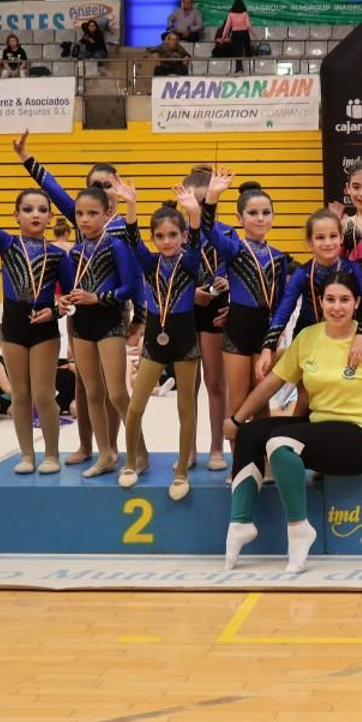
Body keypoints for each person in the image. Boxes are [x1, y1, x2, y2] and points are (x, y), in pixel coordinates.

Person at [223, 272, 362, 572]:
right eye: (330, 299)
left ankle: (299, 530)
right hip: (323, 429)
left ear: (356, 304)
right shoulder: (308, 338)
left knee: (281, 444)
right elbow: (272, 383)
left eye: (344, 300)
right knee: (250, 434)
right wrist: (236, 420)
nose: (336, 307)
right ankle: (240, 524)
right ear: (321, 302)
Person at [0, 159, 69, 474]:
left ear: (50, 216)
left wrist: (54, 310)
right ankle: (27, 455)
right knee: (20, 395)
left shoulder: (58, 255)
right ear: (16, 215)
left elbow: (72, 298)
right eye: (28, 209)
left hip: (45, 330)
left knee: (43, 394)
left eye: (42, 210)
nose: (35, 214)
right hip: (12, 327)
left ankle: (52, 454)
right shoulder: (7, 244)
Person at [120, 185, 205, 500]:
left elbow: (195, 243)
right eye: (160, 236)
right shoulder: (149, 263)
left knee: (186, 408)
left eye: (173, 235)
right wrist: (131, 204)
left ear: (182, 235)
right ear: (153, 238)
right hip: (155, 340)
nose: (166, 241)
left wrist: (194, 212)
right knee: (135, 407)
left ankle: (181, 470)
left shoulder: (189, 263)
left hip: (184, 339)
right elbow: (132, 239)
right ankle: (131, 462)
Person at [54, 183, 138, 479]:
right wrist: (63, 301)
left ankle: (139, 451)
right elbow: (69, 290)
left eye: (92, 213)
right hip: (82, 326)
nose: (84, 219)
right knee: (92, 393)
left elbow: (130, 287)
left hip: (109, 322)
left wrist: (98, 298)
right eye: (79, 214)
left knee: (117, 393)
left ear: (108, 214)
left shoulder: (116, 246)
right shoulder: (75, 252)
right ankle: (105, 455)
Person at [203, 172, 291, 442]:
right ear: (240, 219)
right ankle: (239, 461)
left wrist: (276, 333)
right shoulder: (234, 249)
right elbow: (208, 229)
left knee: (261, 401)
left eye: (266, 212)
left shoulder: (279, 258)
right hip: (238, 331)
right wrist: (213, 196)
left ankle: (262, 458)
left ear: (273, 217)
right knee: (239, 402)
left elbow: (280, 300)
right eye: (253, 213)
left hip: (266, 333)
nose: (260, 218)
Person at [256, 208, 362, 380]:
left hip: (346, 338)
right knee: (307, 390)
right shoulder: (302, 273)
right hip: (309, 336)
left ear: (341, 238)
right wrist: (268, 347)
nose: (328, 243)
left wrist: (361, 336)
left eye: (333, 236)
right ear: (310, 242)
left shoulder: (352, 269)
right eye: (320, 237)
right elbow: (283, 312)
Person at [183, 165, 232, 471]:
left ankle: (216, 447)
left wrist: (228, 282)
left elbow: (238, 267)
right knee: (189, 385)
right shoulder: (176, 232)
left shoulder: (225, 232)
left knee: (215, 382)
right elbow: (165, 276)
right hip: (185, 311)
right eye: (193, 202)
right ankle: (188, 448)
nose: (199, 208)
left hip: (216, 311)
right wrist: (190, 294)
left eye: (205, 202)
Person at [213, 0, 253, 72]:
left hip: (231, 47)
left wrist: (225, 40)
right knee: (216, 52)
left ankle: (240, 68)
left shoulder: (236, 29)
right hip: (222, 48)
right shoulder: (220, 29)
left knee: (237, 50)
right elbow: (216, 39)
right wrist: (223, 39)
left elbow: (233, 40)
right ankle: (239, 68)